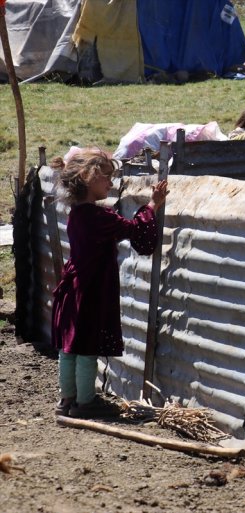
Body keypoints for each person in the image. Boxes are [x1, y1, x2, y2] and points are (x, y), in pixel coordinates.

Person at [50, 148, 169, 418]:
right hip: (89, 291)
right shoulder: (99, 217)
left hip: (73, 288)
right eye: (107, 177)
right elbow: (136, 231)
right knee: (86, 346)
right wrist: (153, 205)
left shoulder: (77, 213)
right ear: (89, 177)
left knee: (70, 346)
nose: (111, 183)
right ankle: (85, 402)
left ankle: (67, 399)